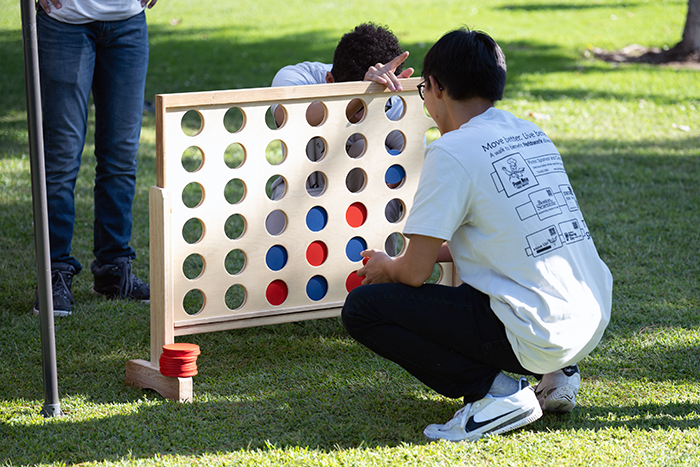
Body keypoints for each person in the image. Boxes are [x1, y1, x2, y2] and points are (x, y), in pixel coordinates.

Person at [341, 28, 612, 442]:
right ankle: (560, 373)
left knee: (363, 308)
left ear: (436, 88)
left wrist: (386, 266)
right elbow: (506, 234)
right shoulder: (530, 133)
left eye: (422, 91)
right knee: (486, 290)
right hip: (588, 320)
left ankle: (496, 394)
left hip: (537, 330)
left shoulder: (451, 151)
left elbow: (413, 273)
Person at [32, 0, 155, 317]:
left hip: (128, 22)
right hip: (64, 21)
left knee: (121, 158)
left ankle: (114, 268)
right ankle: (54, 272)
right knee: (60, 159)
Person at [266, 23, 412, 254]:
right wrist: (360, 95)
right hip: (299, 194)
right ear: (330, 81)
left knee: (367, 148)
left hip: (363, 202)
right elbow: (292, 118)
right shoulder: (295, 77)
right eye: (357, 111)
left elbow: (411, 169)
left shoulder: (390, 99)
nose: (360, 116)